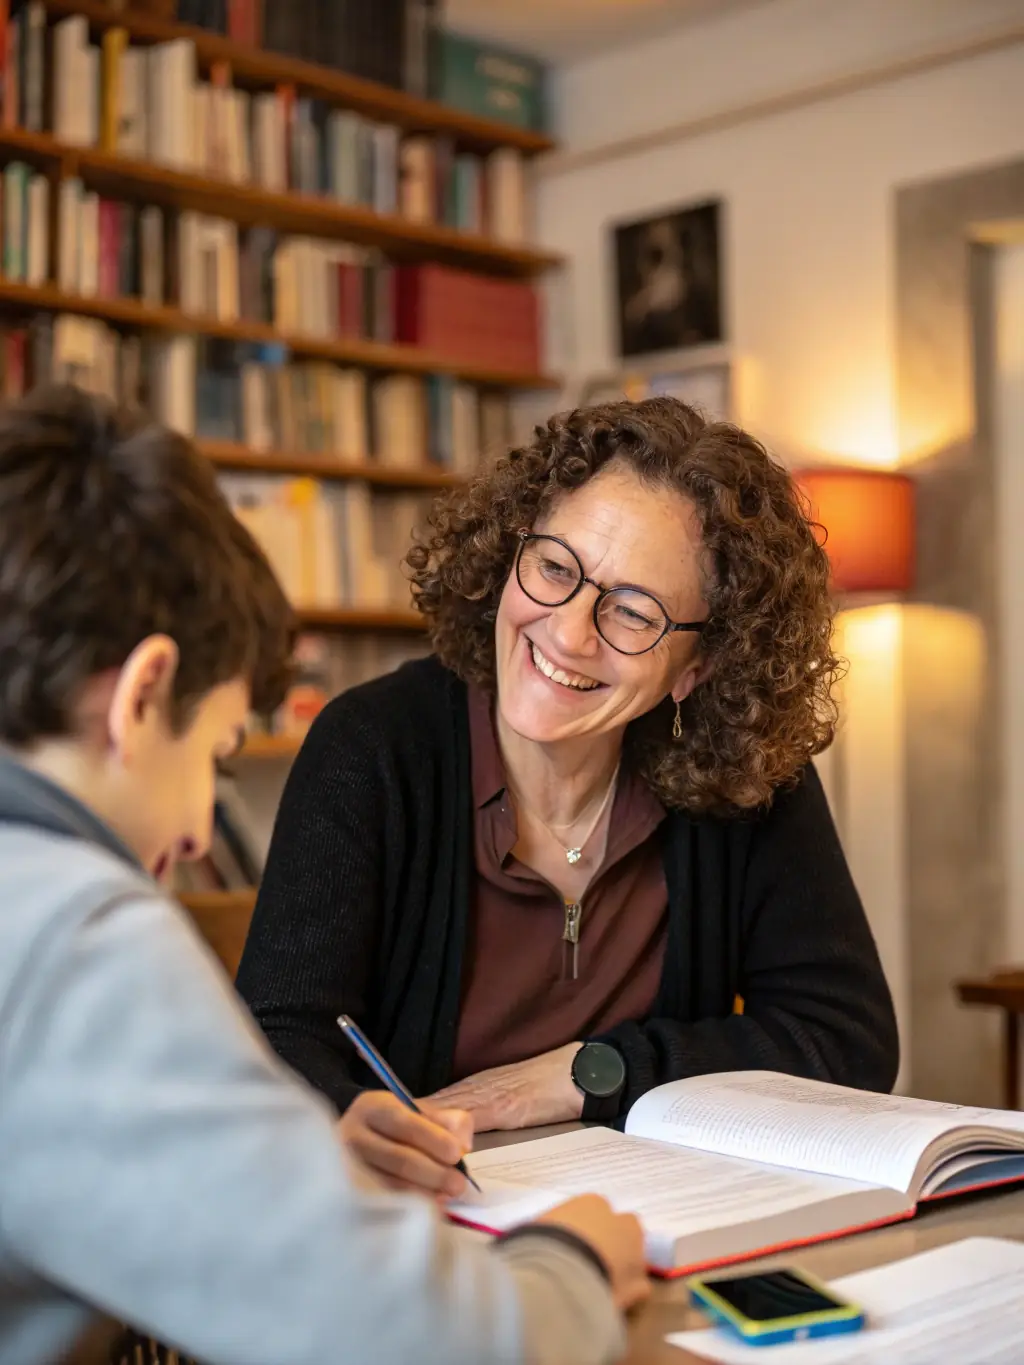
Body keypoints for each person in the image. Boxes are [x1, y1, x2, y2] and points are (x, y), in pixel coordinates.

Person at [0, 385, 647, 1365]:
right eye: (215, 757)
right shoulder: (78, 942)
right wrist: (573, 1262)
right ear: (142, 698)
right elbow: (419, 1342)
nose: (186, 837)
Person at [237, 396, 899, 1199]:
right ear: (509, 552)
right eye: (555, 567)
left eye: (631, 610)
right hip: (423, 1224)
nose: (569, 632)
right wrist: (352, 1124)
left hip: (666, 1218)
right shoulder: (373, 747)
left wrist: (592, 1072)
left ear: (697, 667)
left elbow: (848, 1037)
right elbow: (279, 1038)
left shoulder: (750, 778)